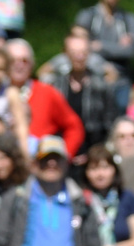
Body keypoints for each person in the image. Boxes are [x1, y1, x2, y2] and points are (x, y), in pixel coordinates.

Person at [42, 27, 118, 156]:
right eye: (74, 52)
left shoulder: (101, 86)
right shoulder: (56, 86)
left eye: (83, 52)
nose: (79, 57)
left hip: (93, 152)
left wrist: (96, 153)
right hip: (61, 151)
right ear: (66, 54)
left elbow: (109, 123)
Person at [7, 39, 84, 159]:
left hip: (41, 165)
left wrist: (64, 156)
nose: (19, 65)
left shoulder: (47, 92)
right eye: (13, 60)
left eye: (24, 60)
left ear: (32, 64)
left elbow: (74, 126)